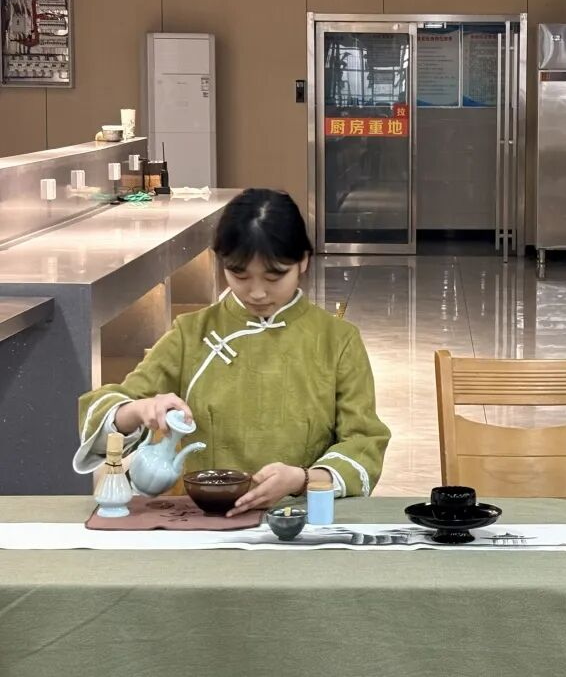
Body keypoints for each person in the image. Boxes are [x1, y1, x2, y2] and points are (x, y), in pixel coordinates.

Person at [74, 189, 391, 515]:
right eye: (240, 275)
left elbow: (364, 442)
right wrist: (140, 409)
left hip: (302, 519)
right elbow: (105, 408)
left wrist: (303, 479)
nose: (257, 292)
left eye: (274, 276)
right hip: (206, 520)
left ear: (303, 261)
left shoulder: (337, 340)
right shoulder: (191, 333)